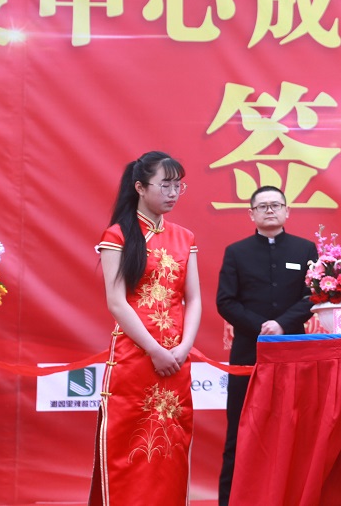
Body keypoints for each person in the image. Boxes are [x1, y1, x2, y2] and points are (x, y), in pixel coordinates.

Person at [89, 151, 202, 506]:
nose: (173, 193)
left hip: (176, 361)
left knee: (171, 449)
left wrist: (183, 348)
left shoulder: (185, 237)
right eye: (165, 185)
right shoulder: (118, 234)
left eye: (178, 186)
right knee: (129, 450)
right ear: (140, 187)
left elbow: (194, 299)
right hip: (135, 358)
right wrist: (155, 350)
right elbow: (116, 302)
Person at [215, 186, 317, 506]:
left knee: (296, 429)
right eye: (263, 206)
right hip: (248, 353)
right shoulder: (236, 252)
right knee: (240, 431)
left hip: (294, 351)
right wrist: (261, 327)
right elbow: (225, 301)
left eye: (276, 205)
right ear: (252, 214)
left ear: (287, 211)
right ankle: (229, 500)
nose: (270, 210)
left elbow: (313, 296)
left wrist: (282, 324)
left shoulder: (305, 249)